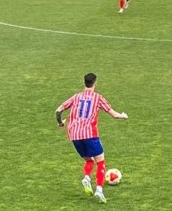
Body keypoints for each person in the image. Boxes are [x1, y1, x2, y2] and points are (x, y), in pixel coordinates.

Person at [55, 73, 129, 203]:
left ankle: (86, 178)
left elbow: (58, 110)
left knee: (89, 161)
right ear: (95, 83)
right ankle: (99, 190)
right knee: (100, 162)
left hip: (74, 134)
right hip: (90, 134)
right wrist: (123, 116)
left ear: (84, 83)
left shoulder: (76, 97)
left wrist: (60, 122)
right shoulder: (98, 98)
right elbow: (114, 114)